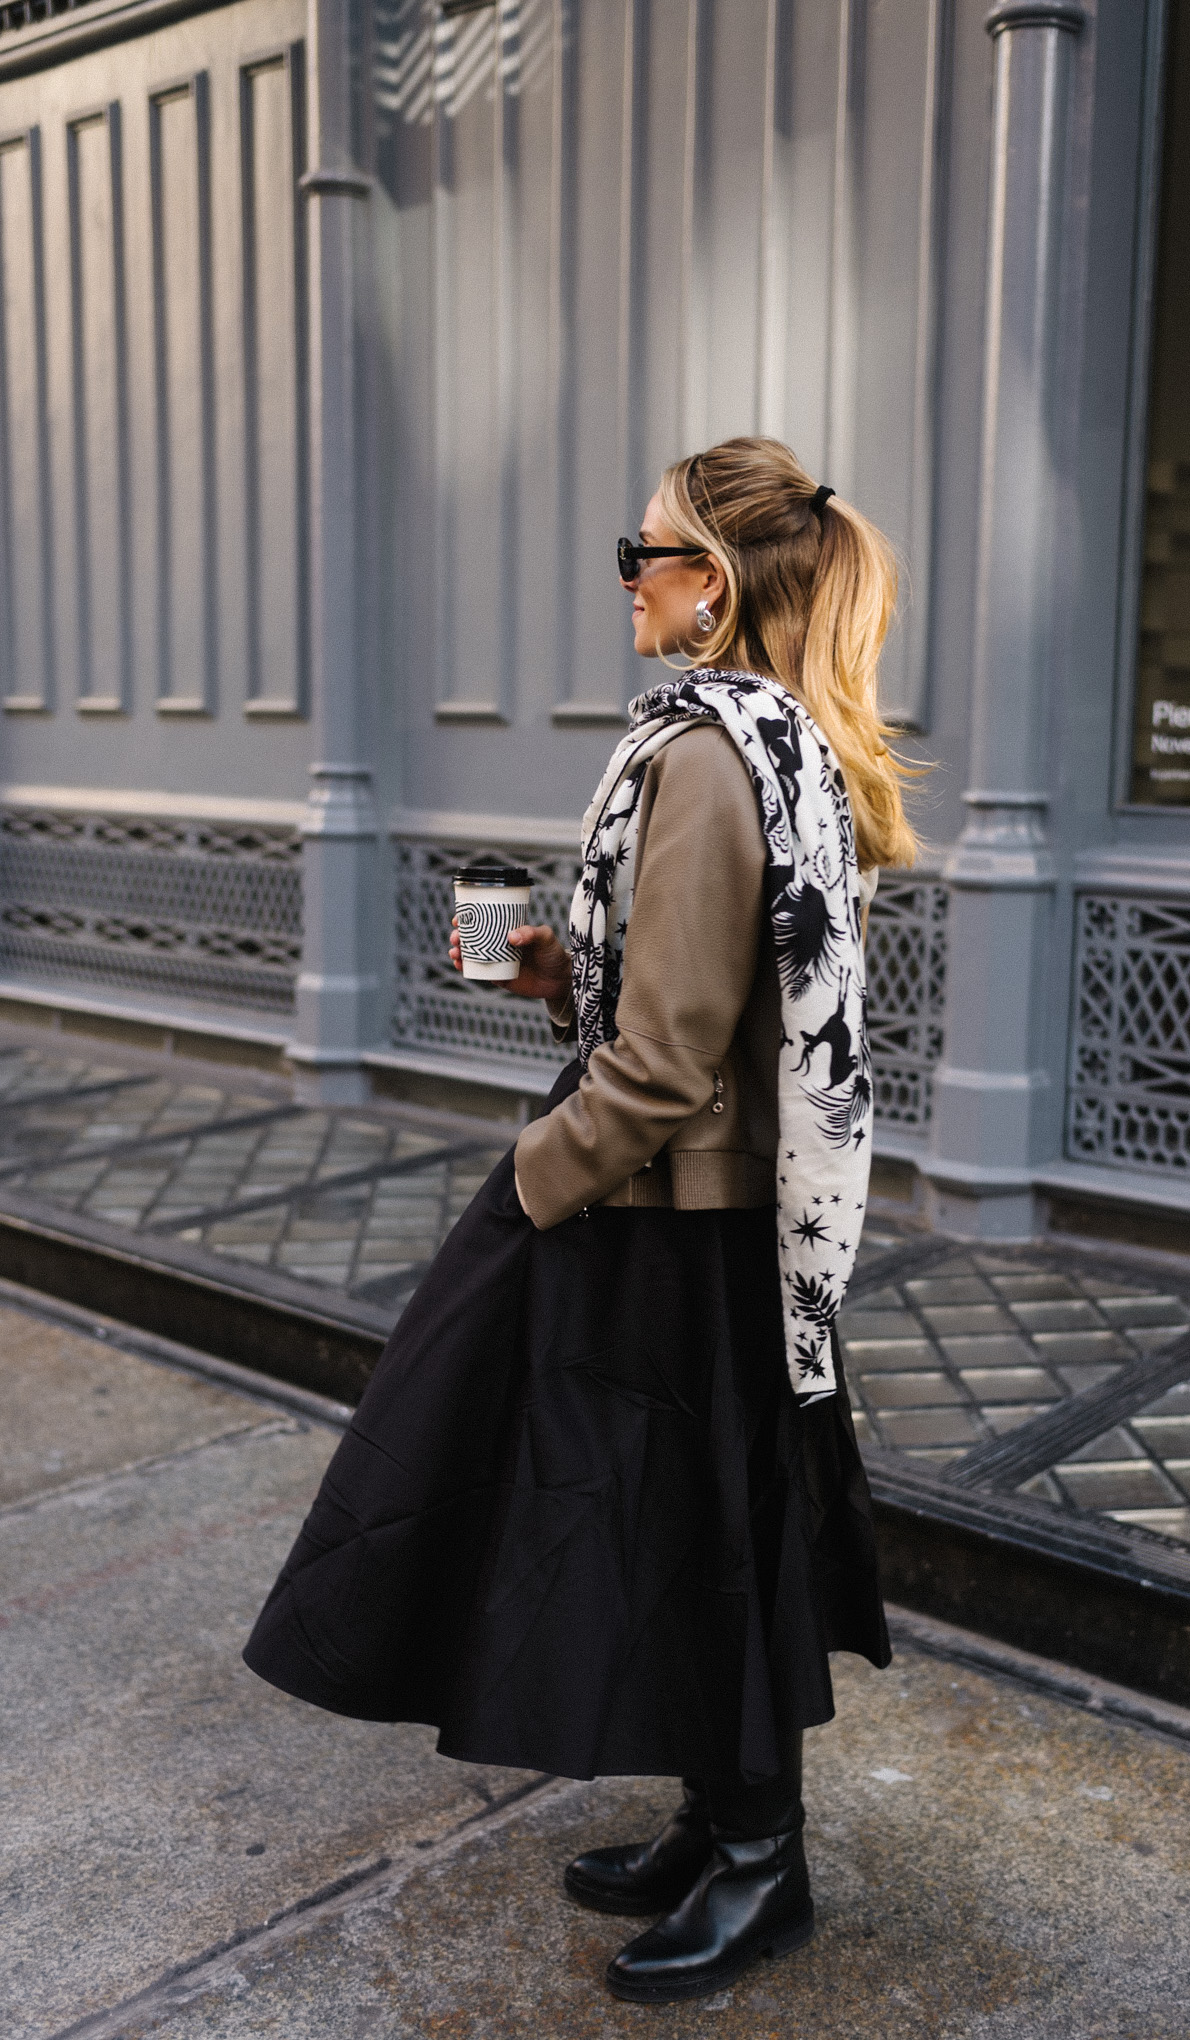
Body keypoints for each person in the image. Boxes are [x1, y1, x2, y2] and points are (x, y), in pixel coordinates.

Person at [243, 435, 919, 2006]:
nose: (627, 575)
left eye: (650, 551)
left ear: (715, 588)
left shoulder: (700, 752)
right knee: (692, 1516)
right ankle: (724, 1824)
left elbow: (673, 1057)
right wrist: (562, 973)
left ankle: (760, 1859)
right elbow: (703, 996)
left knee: (653, 1509)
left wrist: (535, 1181)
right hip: (713, 1209)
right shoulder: (776, 736)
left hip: (661, 1207)